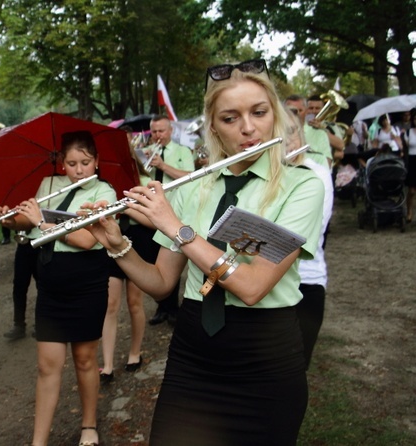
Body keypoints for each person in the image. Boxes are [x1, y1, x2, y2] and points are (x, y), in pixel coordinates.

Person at [84, 59, 324, 445]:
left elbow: (252, 287)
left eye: (259, 112)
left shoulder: (301, 187)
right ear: (213, 126)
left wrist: (176, 226)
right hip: (194, 353)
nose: (248, 128)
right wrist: (118, 246)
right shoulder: (197, 188)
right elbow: (161, 284)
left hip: (265, 354)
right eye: (231, 118)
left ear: (274, 115)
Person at [0, 130, 116, 446]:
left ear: (97, 162)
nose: (78, 169)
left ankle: (89, 425)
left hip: (86, 283)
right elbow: (27, 219)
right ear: (62, 162)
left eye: (85, 162)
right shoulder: (49, 185)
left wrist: (40, 224)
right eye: (72, 162)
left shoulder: (105, 192)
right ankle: (39, 441)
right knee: (47, 365)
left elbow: (87, 239)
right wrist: (9, 220)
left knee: (85, 359)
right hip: (51, 286)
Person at [99, 143, 158, 384]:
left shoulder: (145, 181)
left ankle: (135, 352)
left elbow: (154, 222)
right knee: (110, 304)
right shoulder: (103, 186)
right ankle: (108, 364)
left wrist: (127, 208)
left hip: (141, 243)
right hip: (114, 243)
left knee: (134, 302)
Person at [286, 112, 335, 369]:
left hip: (307, 279)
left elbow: (307, 234)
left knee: (297, 364)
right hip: (270, 287)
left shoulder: (317, 174)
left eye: (292, 131)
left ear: (302, 133)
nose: (287, 140)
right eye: (279, 133)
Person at [144, 115, 195, 325]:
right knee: (156, 262)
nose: (157, 135)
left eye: (161, 131)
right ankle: (162, 308)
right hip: (148, 214)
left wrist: (163, 166)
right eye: (154, 132)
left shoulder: (182, 151)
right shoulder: (146, 153)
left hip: (173, 214)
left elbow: (191, 176)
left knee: (172, 260)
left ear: (171, 131)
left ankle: (174, 310)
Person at [284, 94, 334, 170]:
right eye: (291, 110)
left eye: (299, 110)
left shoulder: (320, 134)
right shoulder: (275, 133)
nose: (295, 114)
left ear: (306, 111)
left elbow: (327, 163)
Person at [404, 108, 416, 223]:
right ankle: (409, 212)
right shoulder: (408, 132)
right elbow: (406, 146)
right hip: (412, 161)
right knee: (411, 191)